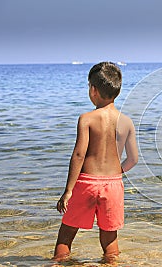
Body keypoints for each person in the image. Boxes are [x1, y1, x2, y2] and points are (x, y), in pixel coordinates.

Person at [53, 62, 138, 262]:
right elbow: (133, 159)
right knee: (109, 237)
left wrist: (68, 191)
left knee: (66, 233)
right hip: (114, 184)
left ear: (93, 90)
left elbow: (78, 155)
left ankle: (57, 263)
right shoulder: (126, 122)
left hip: (87, 183)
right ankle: (110, 263)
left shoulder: (87, 119)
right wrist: (116, 174)